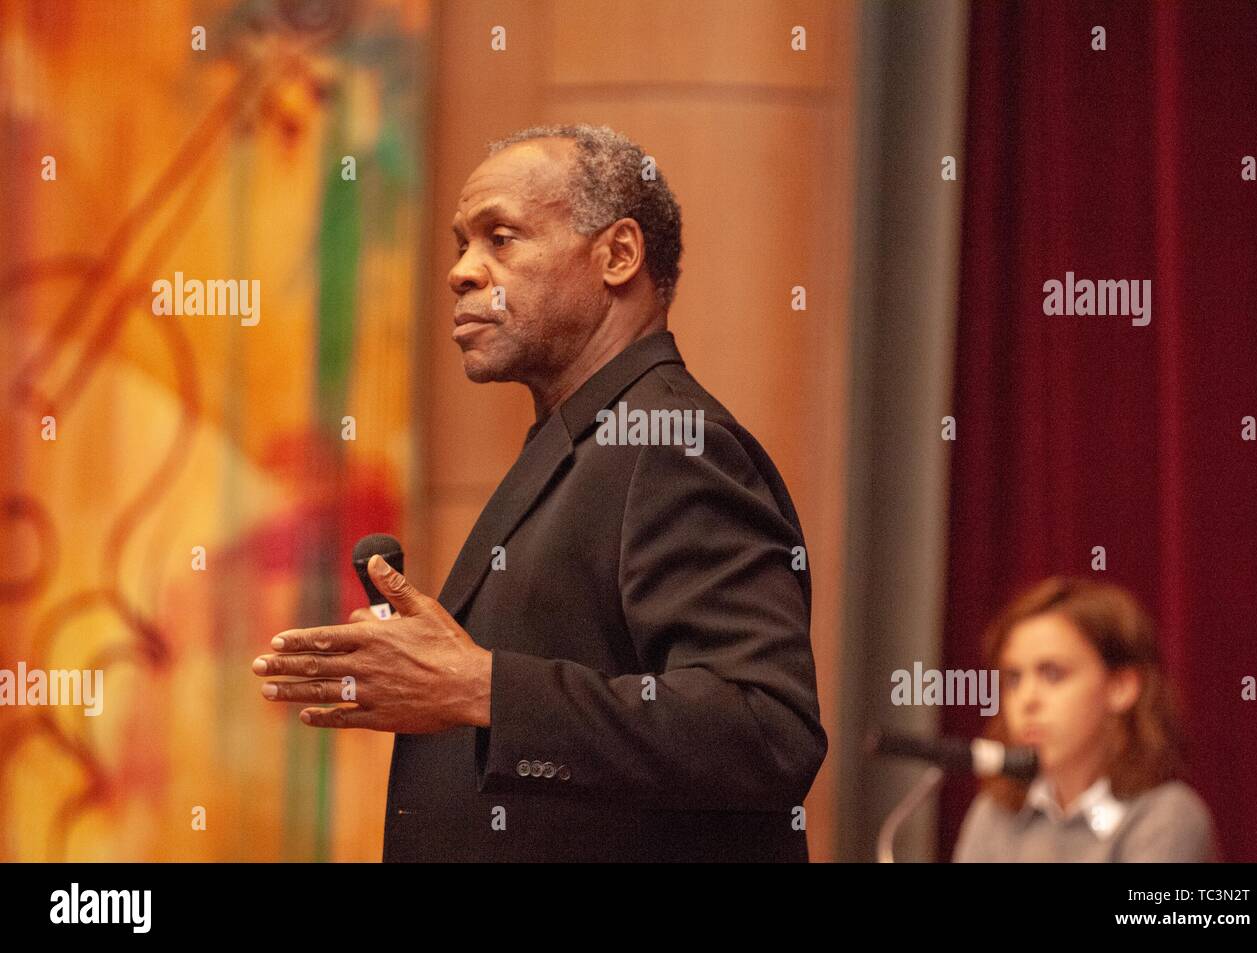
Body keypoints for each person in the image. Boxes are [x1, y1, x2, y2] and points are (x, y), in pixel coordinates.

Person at [252, 123, 827, 861]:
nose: (462, 270)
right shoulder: (587, 443)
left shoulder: (672, 444)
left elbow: (764, 730)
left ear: (618, 255)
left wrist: (481, 686)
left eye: (501, 237)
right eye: (462, 243)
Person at [953, 576, 1219, 862]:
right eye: (1014, 679)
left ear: (1120, 688)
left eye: (1053, 674)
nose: (1026, 699)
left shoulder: (1167, 817)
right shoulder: (994, 813)